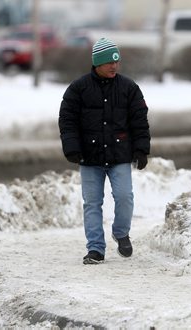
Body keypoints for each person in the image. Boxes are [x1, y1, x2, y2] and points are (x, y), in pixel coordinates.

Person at [58, 38, 150, 265]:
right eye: (109, 62)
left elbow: (140, 121)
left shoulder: (129, 88)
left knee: (124, 196)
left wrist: (141, 149)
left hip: (120, 155)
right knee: (91, 203)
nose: (114, 66)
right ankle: (96, 249)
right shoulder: (78, 89)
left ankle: (120, 233)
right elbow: (67, 121)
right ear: (97, 63)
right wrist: (72, 148)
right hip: (90, 157)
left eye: (116, 62)